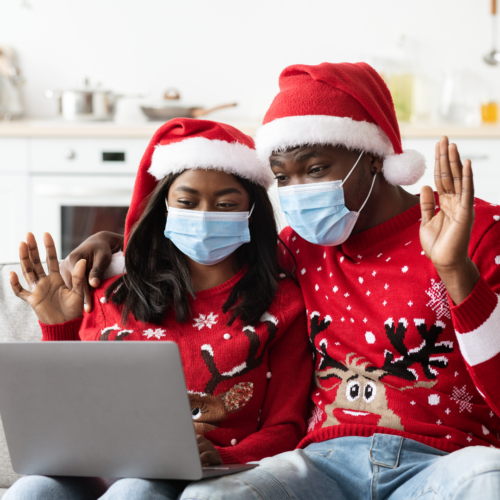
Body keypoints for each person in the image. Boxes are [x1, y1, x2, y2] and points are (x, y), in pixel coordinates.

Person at [71, 62, 500, 500]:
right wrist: (116, 244)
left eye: (314, 170)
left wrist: (456, 272)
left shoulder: (476, 231)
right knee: (208, 497)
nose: (296, 190)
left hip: (448, 459)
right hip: (324, 463)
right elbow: (208, 251)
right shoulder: (299, 247)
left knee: (489, 475)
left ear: (372, 157)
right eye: (282, 177)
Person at [6, 118, 312, 499]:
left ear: (252, 210)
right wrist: (59, 326)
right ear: (164, 205)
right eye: (187, 201)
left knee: (134, 490)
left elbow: (287, 426)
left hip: (200, 475)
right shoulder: (113, 289)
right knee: (29, 491)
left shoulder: (282, 303)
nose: (205, 214)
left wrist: (223, 455)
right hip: (93, 467)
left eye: (227, 204)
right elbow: (71, 409)